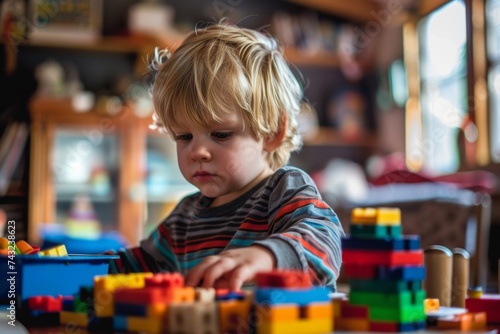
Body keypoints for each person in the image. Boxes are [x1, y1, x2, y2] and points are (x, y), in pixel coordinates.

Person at [110, 22, 345, 291]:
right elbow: (141, 268)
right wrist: (91, 267)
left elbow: (326, 243)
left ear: (272, 133)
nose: (197, 151)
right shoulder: (184, 218)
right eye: (184, 137)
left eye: (220, 134)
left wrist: (266, 257)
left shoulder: (285, 190)